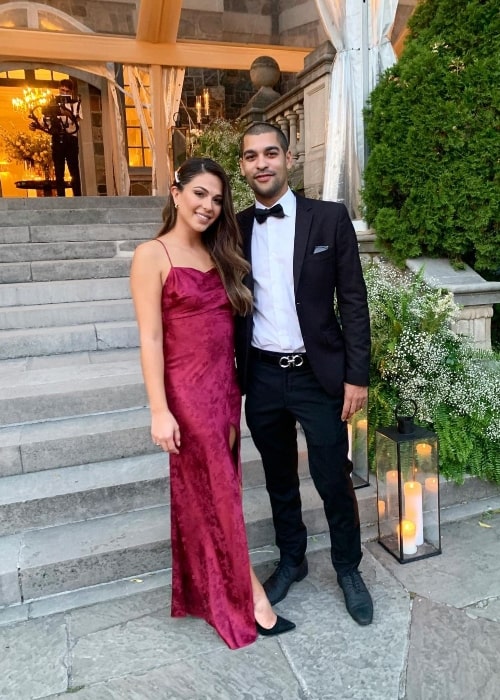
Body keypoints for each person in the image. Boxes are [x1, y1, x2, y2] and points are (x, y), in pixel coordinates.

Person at [130, 157, 295, 650]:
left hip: (225, 392)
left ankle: (206, 591)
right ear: (176, 192)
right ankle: (253, 599)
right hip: (187, 395)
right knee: (221, 494)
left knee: (211, 493)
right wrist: (159, 409)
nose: (208, 206)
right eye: (199, 193)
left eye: (217, 199)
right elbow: (151, 337)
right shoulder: (151, 254)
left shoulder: (218, 252)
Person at [236, 123, 373, 626]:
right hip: (264, 376)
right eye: (251, 157)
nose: (262, 163)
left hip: (319, 376)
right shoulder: (234, 226)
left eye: (270, 153)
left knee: (332, 478)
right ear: (244, 167)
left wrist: (356, 377)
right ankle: (292, 560)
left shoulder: (329, 219)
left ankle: (348, 568)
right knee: (277, 479)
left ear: (288, 158)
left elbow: (354, 302)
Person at [30, 78, 82, 196]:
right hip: (57, 139)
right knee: (59, 171)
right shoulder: (51, 104)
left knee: (74, 170)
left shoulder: (75, 104)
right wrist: (36, 125)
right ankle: (61, 197)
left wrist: (67, 113)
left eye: (66, 91)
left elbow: (77, 121)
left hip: (71, 139)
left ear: (70, 92)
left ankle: (78, 197)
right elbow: (44, 121)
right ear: (59, 89)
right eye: (62, 90)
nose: (63, 93)